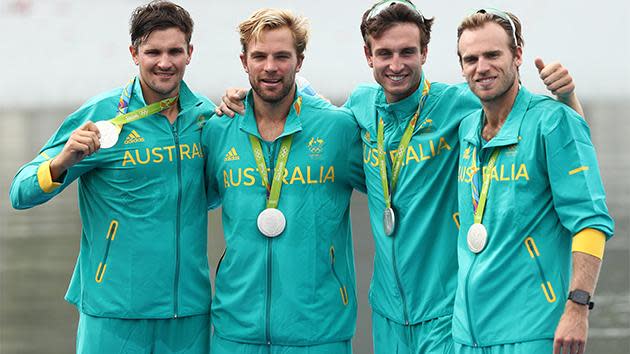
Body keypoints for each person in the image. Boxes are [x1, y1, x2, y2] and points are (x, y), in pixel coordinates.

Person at [215, 2, 581, 353]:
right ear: (368, 55)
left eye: (407, 52)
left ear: (424, 53)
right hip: (387, 313)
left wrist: (567, 98)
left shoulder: (459, 104)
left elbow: (545, 135)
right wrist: (242, 97)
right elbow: (300, 107)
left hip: (447, 310)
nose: (396, 64)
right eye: (385, 53)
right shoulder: (357, 108)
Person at [9, 1, 215, 352]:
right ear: (134, 53)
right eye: (153, 51)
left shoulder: (207, 118)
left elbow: (222, 190)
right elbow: (20, 192)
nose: (165, 62)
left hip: (189, 312)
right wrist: (62, 160)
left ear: (190, 53)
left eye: (174, 51)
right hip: (114, 311)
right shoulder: (101, 116)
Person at [202, 8, 365, 354]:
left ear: (299, 61)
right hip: (235, 330)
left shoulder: (339, 129)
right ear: (244, 61)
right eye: (259, 56)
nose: (270, 67)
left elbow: (393, 188)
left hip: (319, 331)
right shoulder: (218, 129)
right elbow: (191, 202)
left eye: (282, 56)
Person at [453, 9, 614, 354]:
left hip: (534, 332)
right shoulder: (467, 129)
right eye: (471, 59)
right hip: (467, 335)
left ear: (518, 55)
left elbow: (591, 221)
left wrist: (577, 307)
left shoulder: (552, 122)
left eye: (493, 55)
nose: (481, 67)